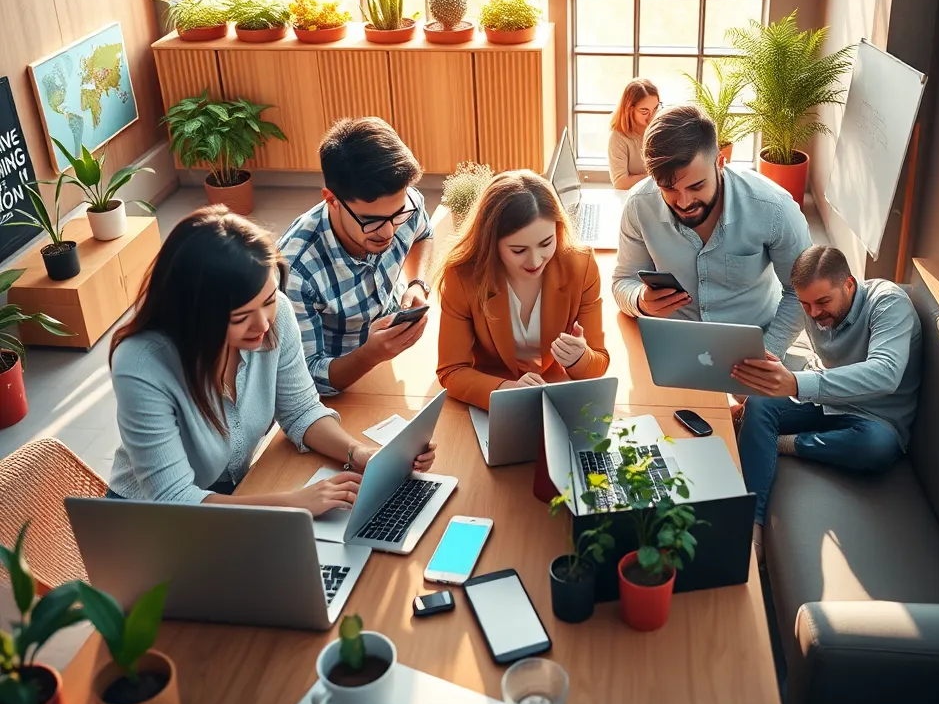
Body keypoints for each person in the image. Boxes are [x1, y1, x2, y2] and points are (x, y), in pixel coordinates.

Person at [107, 207, 437, 511]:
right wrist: (293, 504)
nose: (264, 325)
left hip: (235, 495)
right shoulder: (141, 364)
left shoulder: (273, 314)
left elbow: (301, 410)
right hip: (151, 520)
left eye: (268, 300)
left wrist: (359, 454)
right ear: (195, 314)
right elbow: (174, 500)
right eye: (240, 317)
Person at [733, 245, 921, 561]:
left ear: (849, 284)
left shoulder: (888, 303)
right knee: (760, 404)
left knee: (876, 447)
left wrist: (796, 382)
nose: (815, 313)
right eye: (806, 304)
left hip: (876, 418)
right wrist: (768, 369)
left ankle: (784, 443)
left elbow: (885, 373)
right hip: (826, 401)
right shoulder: (813, 307)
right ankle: (752, 525)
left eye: (823, 302)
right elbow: (818, 364)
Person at [612, 104, 812, 361]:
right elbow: (622, 282)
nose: (684, 202)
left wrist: (768, 353)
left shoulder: (773, 208)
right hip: (675, 348)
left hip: (755, 346)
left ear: (720, 162)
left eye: (696, 186)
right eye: (668, 189)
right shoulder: (639, 205)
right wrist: (640, 300)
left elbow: (802, 291)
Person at [279, 118, 435, 395]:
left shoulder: (403, 203)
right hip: (342, 382)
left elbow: (423, 234)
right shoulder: (296, 271)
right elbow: (308, 378)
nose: (388, 231)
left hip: (390, 354)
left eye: (396, 215)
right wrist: (369, 356)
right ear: (331, 200)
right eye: (371, 220)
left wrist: (417, 283)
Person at [436, 170, 610, 410]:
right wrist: (505, 390)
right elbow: (451, 371)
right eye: (518, 250)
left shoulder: (581, 265)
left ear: (558, 230)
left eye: (546, 243)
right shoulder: (464, 276)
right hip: (488, 395)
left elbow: (598, 362)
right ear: (490, 242)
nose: (535, 261)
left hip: (554, 393)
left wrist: (580, 358)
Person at [608, 78, 660, 190]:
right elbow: (620, 183)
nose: (652, 117)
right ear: (629, 109)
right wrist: (658, 177)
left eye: (655, 108)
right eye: (644, 111)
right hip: (633, 198)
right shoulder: (618, 137)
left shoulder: (661, 127)